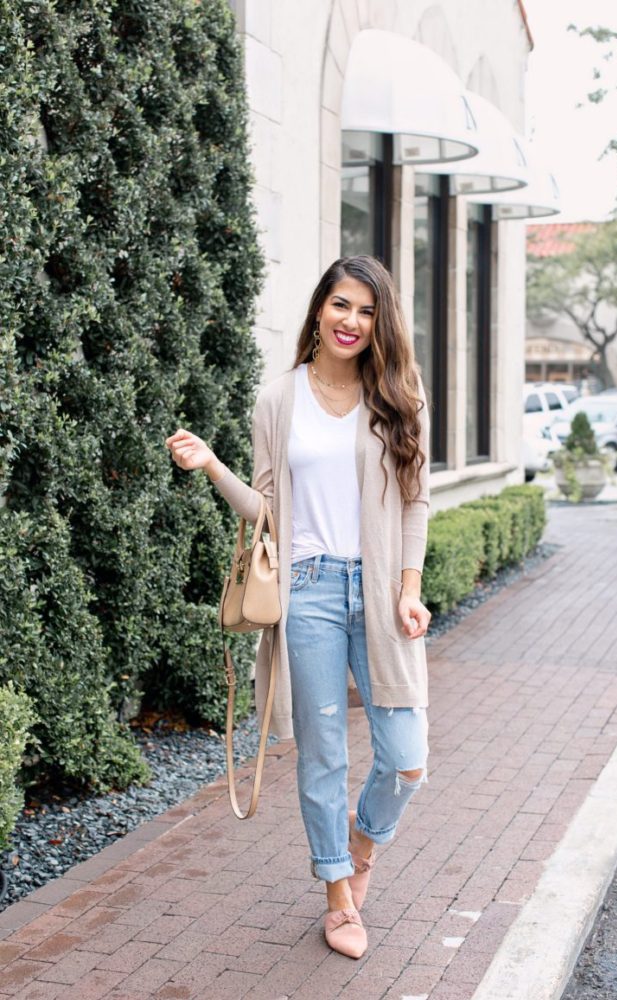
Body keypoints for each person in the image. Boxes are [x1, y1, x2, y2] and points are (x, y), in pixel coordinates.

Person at [165, 255, 431, 959]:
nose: (352, 321)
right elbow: (266, 512)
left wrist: (409, 587)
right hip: (307, 591)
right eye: (341, 305)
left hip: (376, 593)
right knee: (322, 757)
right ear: (319, 309)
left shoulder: (398, 394)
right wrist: (214, 467)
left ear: (380, 324)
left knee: (406, 759)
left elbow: (415, 500)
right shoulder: (277, 399)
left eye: (367, 311)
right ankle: (337, 894)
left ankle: (361, 847)